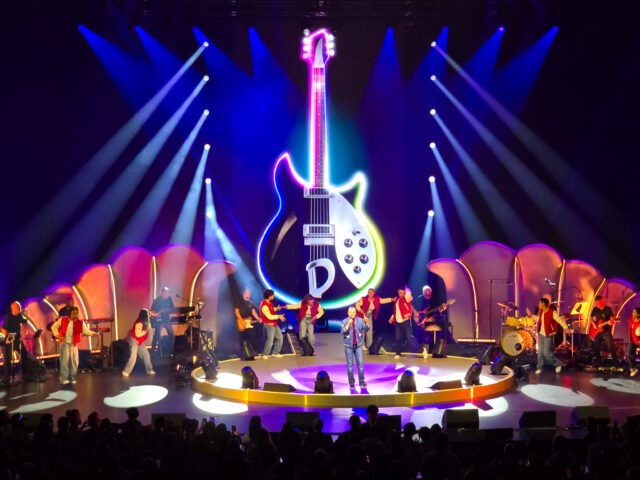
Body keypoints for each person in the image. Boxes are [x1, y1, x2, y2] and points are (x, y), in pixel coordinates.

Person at [51, 306, 98, 385]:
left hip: (74, 344)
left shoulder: (80, 322)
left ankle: (71, 378)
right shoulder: (63, 320)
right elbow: (54, 327)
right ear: (70, 314)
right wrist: (58, 335)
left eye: (76, 313)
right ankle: (64, 379)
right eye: (73, 313)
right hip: (65, 343)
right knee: (64, 361)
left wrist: (94, 334)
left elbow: (86, 331)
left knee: (74, 362)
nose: (75, 315)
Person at [526, 297, 569, 374]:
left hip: (547, 335)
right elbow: (538, 319)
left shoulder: (552, 312)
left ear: (543, 304)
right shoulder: (541, 312)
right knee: (540, 352)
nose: (538, 304)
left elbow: (559, 320)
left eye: (539, 303)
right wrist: (531, 315)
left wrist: (566, 328)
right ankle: (539, 367)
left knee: (546, 353)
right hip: (541, 334)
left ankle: (558, 364)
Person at [341, 306, 369, 388]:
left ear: (355, 313)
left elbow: (366, 329)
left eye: (353, 312)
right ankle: (351, 383)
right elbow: (342, 332)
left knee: (360, 365)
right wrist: (348, 324)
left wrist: (366, 322)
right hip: (348, 346)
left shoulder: (360, 320)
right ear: (348, 313)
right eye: (350, 312)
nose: (352, 313)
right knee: (350, 366)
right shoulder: (344, 321)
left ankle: (362, 382)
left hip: (358, 346)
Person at [122, 309, 155, 377]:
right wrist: (145, 331)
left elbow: (149, 327)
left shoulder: (145, 322)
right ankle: (126, 371)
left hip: (140, 341)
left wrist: (149, 319)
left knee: (146, 355)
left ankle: (149, 370)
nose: (148, 315)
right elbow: (138, 334)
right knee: (133, 356)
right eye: (147, 314)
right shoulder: (139, 323)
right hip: (134, 340)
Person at [2, 301, 28, 382]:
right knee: (7, 357)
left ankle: (26, 372)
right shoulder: (8, 317)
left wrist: (25, 321)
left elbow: (24, 321)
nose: (19, 309)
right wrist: (8, 334)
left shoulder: (19, 316)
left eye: (19, 308)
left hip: (17, 339)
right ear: (13, 309)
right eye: (18, 308)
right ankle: (7, 375)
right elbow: (3, 329)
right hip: (9, 339)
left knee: (24, 354)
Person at [590, 295, 619, 364]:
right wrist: (593, 324)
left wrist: (611, 322)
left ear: (602, 301)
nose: (596, 304)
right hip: (597, 331)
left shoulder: (607, 309)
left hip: (606, 330)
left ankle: (616, 362)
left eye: (598, 303)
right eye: (596, 303)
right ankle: (599, 362)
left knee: (610, 345)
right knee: (596, 346)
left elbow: (612, 319)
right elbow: (591, 318)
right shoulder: (595, 309)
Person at [150, 286, 175, 357]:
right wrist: (157, 314)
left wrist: (168, 311)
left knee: (171, 335)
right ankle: (153, 350)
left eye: (167, 293)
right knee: (157, 335)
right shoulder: (157, 300)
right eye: (165, 293)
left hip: (167, 320)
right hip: (159, 320)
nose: (166, 294)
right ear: (162, 293)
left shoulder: (169, 299)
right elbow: (151, 311)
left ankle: (170, 351)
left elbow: (172, 309)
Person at [389, 286, 414, 359]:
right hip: (398, 322)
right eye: (400, 293)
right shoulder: (397, 300)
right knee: (398, 338)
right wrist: (392, 318)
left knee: (409, 339)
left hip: (405, 321)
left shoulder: (406, 298)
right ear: (398, 292)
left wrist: (406, 288)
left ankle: (423, 350)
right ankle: (398, 353)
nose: (401, 294)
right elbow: (396, 311)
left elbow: (409, 294)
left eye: (403, 293)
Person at [260, 289, 285, 357]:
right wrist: (278, 316)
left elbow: (271, 309)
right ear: (269, 296)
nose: (273, 296)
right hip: (269, 325)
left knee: (280, 337)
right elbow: (269, 317)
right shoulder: (264, 305)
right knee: (270, 340)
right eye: (272, 295)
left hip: (274, 324)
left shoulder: (269, 302)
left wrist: (276, 308)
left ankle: (275, 353)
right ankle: (265, 354)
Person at [235, 288, 261, 353]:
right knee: (243, 338)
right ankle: (243, 352)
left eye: (249, 293)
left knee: (253, 336)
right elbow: (236, 312)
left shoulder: (250, 302)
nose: (249, 294)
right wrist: (242, 321)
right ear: (244, 294)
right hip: (242, 322)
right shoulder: (239, 301)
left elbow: (253, 312)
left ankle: (254, 351)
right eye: (247, 293)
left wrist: (258, 318)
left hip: (249, 321)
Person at [628, 308, 640, 377]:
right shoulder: (632, 318)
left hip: (638, 341)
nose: (632, 313)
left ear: (638, 314)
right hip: (633, 340)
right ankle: (633, 368)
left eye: (634, 312)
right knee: (629, 354)